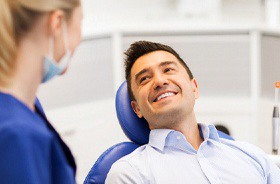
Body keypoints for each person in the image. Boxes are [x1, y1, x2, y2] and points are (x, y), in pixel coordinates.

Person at [105, 41, 280, 183]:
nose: (159, 81)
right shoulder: (129, 173)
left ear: (194, 88)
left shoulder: (252, 155)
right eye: (145, 79)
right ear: (137, 109)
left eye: (168, 69)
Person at [0, 0, 82, 183]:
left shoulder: (28, 107)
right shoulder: (16, 133)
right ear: (57, 24)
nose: (80, 38)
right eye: (80, 21)